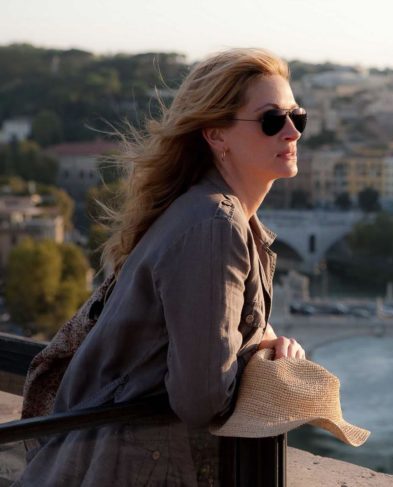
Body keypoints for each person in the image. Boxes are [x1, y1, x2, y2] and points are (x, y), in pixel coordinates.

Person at [17, 48, 307, 486]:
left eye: (297, 117)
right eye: (271, 120)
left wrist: (256, 340)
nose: (292, 133)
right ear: (216, 135)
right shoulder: (215, 225)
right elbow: (201, 400)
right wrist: (266, 358)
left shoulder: (202, 213)